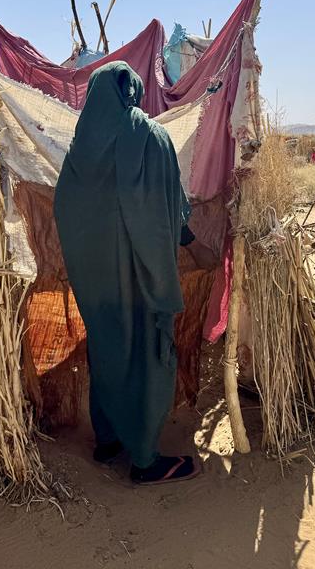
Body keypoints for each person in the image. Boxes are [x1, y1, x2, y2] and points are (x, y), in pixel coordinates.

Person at [54, 61, 211, 486]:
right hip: (142, 277)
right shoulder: (151, 138)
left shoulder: (79, 151)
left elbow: (65, 209)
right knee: (146, 352)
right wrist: (189, 244)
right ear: (133, 92)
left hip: (96, 282)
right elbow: (166, 206)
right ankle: (144, 459)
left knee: (107, 348)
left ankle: (107, 442)